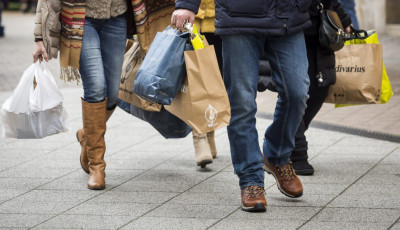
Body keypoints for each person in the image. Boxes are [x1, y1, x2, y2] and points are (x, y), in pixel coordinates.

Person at [172, 0, 312, 212]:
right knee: (242, 101)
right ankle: (250, 178)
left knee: (297, 92)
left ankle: (276, 154)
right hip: (239, 14)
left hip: (288, 14)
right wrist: (187, 4)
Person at [33, 0, 136, 190]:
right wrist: (40, 37)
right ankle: (97, 166)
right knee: (96, 87)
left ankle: (86, 135)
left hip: (117, 16)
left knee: (112, 94)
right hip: (81, 17)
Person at [290, 0, 352, 175]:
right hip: (289, 28)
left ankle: (285, 135)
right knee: (295, 92)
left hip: (320, 28)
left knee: (320, 90)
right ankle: (297, 152)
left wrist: (343, 17)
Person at [191, 0, 222, 168]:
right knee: (197, 78)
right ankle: (200, 136)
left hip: (224, 17)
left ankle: (210, 130)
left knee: (217, 79)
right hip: (192, 15)